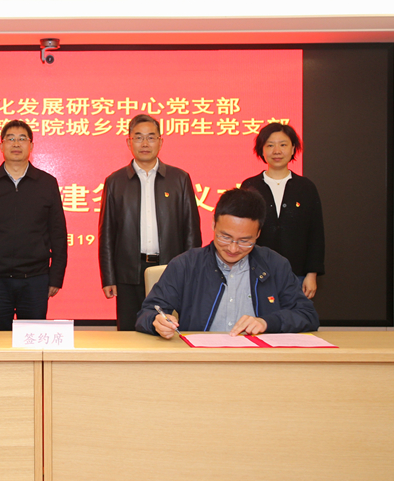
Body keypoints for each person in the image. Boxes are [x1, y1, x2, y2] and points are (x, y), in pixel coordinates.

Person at [136, 188, 319, 338]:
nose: (233, 248)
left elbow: (307, 315)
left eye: (245, 241)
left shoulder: (275, 265)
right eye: (225, 237)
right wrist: (156, 322)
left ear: (258, 234)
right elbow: (147, 312)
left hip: (259, 361)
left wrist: (267, 322)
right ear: (213, 225)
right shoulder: (186, 265)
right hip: (201, 361)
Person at [98, 114, 202, 330]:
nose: (145, 143)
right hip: (128, 272)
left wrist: (191, 273)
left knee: (168, 330)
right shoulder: (115, 181)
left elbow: (191, 230)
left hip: (170, 269)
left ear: (160, 141)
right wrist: (109, 277)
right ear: (129, 142)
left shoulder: (179, 179)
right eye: (138, 137)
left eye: (151, 137)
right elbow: (107, 233)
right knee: (129, 331)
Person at [0, 120, 68, 331]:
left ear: (31, 145)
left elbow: (58, 234)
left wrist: (55, 278)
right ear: (1, 145)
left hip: (35, 280)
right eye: (10, 139)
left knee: (32, 340)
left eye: (22, 139)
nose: (16, 144)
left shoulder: (47, 183)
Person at [240, 123, 325, 298]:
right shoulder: (250, 186)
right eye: (270, 145)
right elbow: (242, 231)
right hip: (256, 272)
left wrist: (311, 274)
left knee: (294, 314)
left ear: (293, 149)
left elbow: (315, 233)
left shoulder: (306, 187)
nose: (277, 151)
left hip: (297, 274)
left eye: (283, 145)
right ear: (262, 150)